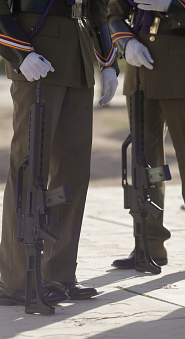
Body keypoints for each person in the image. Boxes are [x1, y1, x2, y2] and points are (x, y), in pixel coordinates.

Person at [0, 0, 119, 306]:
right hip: (35, 49)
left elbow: (96, 9)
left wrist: (108, 62)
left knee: (73, 171)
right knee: (29, 166)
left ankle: (60, 271)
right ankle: (15, 278)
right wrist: (20, 52)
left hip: (77, 53)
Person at [107, 0, 185, 273]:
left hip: (184, 70)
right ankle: (149, 243)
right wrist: (126, 42)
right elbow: (114, 13)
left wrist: (171, 4)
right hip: (140, 68)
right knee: (146, 163)